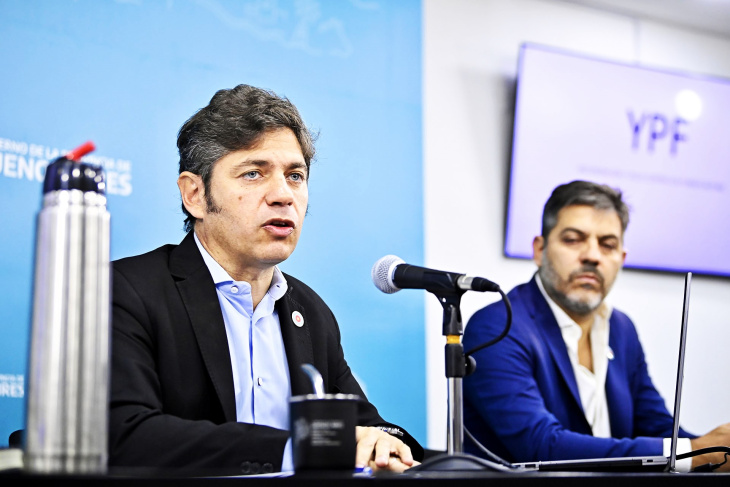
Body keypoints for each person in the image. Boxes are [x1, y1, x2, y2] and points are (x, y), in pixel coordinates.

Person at [108, 84, 423, 475]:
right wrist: (299, 450)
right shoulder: (126, 292)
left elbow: (364, 425)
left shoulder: (310, 311)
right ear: (195, 195)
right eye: (254, 173)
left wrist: (385, 442)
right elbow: (125, 434)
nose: (283, 195)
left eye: (295, 176)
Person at [463, 180, 730, 471]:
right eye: (573, 239)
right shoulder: (497, 328)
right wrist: (696, 453)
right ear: (539, 250)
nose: (592, 256)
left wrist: (716, 451)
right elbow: (541, 446)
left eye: (608, 245)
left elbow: (658, 427)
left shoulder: (622, 329)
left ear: (621, 259)